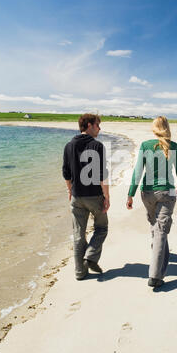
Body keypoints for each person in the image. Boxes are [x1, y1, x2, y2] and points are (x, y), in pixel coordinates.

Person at [126, 116, 177, 288]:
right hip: (166, 192)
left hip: (147, 194)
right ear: (167, 128)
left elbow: (137, 171)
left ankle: (160, 257)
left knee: (156, 227)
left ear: (154, 129)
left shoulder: (145, 145)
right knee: (160, 230)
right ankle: (155, 276)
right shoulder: (173, 146)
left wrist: (130, 194)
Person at [62, 114, 110, 280]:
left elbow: (66, 174)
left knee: (78, 234)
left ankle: (80, 273)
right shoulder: (98, 146)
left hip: (77, 196)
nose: (99, 128)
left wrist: (70, 191)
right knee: (102, 228)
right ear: (89, 125)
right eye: (97, 124)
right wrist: (107, 196)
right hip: (95, 196)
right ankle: (90, 256)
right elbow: (103, 174)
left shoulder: (69, 146)